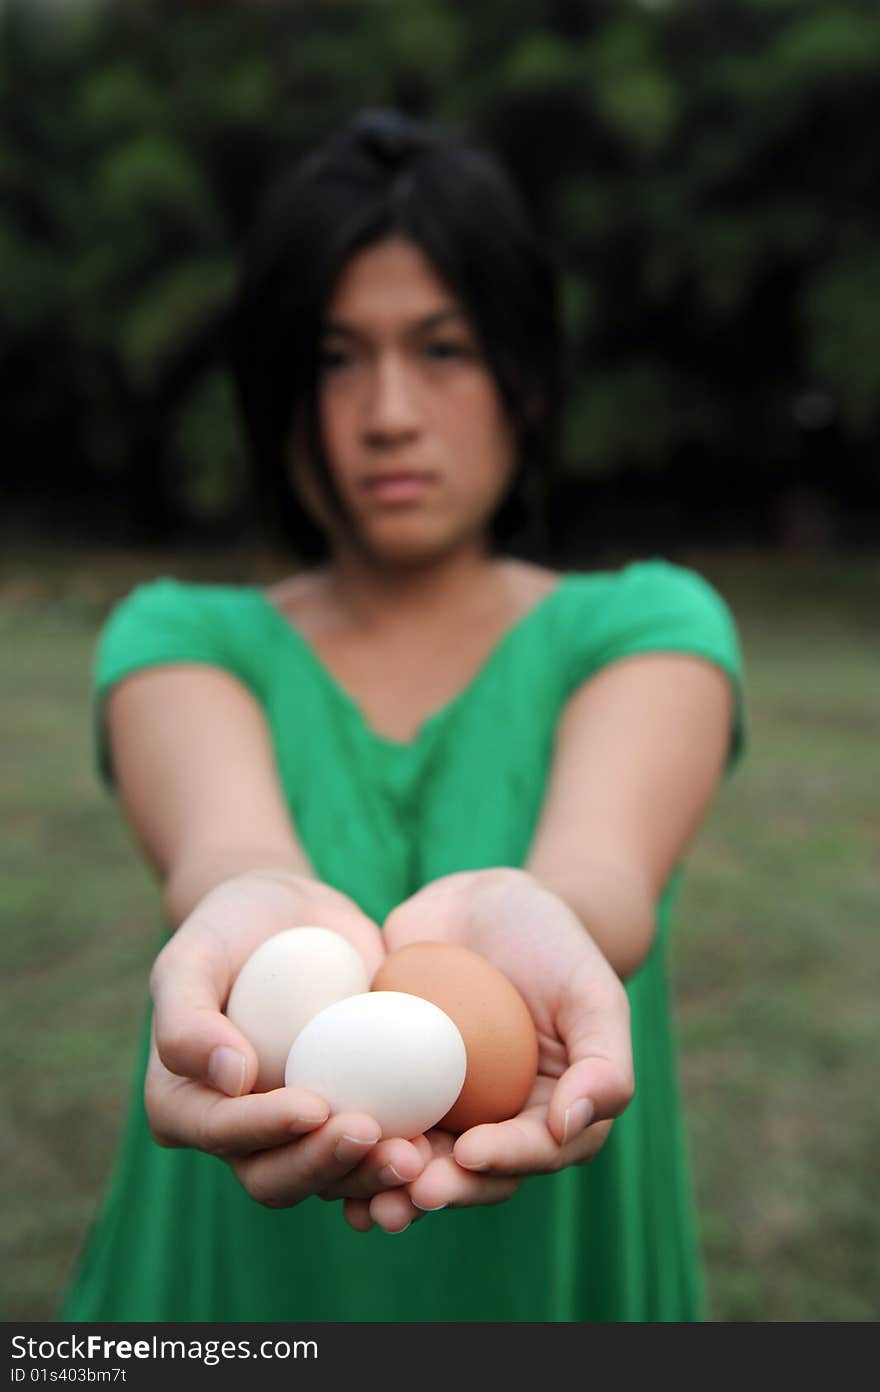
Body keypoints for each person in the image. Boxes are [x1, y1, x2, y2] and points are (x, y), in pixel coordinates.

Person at [61, 108, 746, 1323]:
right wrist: (248, 917)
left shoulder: (647, 629)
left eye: (442, 349)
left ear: (523, 379)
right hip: (231, 1301)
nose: (387, 411)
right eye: (335, 358)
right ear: (280, 391)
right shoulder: (179, 638)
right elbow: (227, 854)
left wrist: (541, 928)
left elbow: (599, 873)